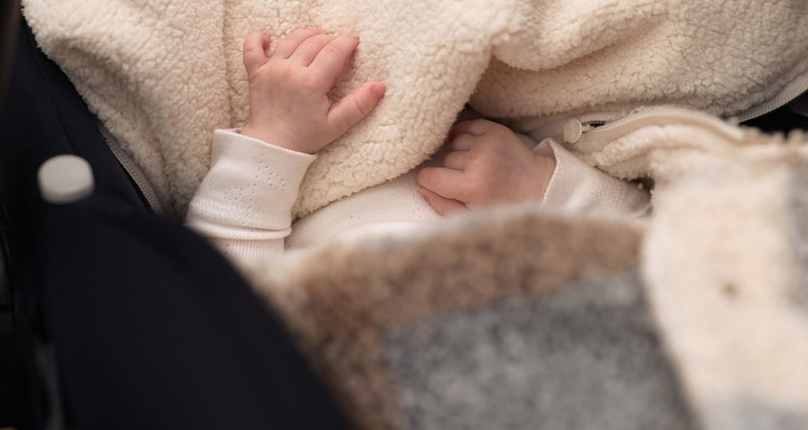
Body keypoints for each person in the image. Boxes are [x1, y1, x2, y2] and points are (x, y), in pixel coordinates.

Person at [186, 29, 649, 266]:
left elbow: (220, 309)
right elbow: (660, 248)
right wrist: (542, 192)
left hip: (308, 178)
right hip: (512, 155)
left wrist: (272, 139)